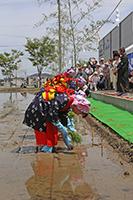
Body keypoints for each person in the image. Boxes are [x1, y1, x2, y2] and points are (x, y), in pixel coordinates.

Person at [23, 86, 90, 153]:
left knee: (52, 127)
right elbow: (52, 114)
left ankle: (48, 145)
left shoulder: (69, 103)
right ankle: (47, 146)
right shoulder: (65, 100)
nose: (78, 114)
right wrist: (61, 128)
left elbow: (63, 116)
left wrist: (68, 133)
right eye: (80, 112)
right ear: (77, 106)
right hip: (39, 110)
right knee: (49, 127)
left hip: (46, 112)